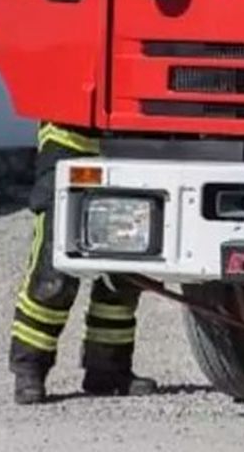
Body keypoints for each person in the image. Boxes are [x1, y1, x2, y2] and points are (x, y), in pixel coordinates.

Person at [11, 122, 157, 404]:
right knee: (53, 276)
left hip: (129, 140)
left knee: (124, 271)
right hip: (70, 138)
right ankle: (29, 369)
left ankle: (108, 370)